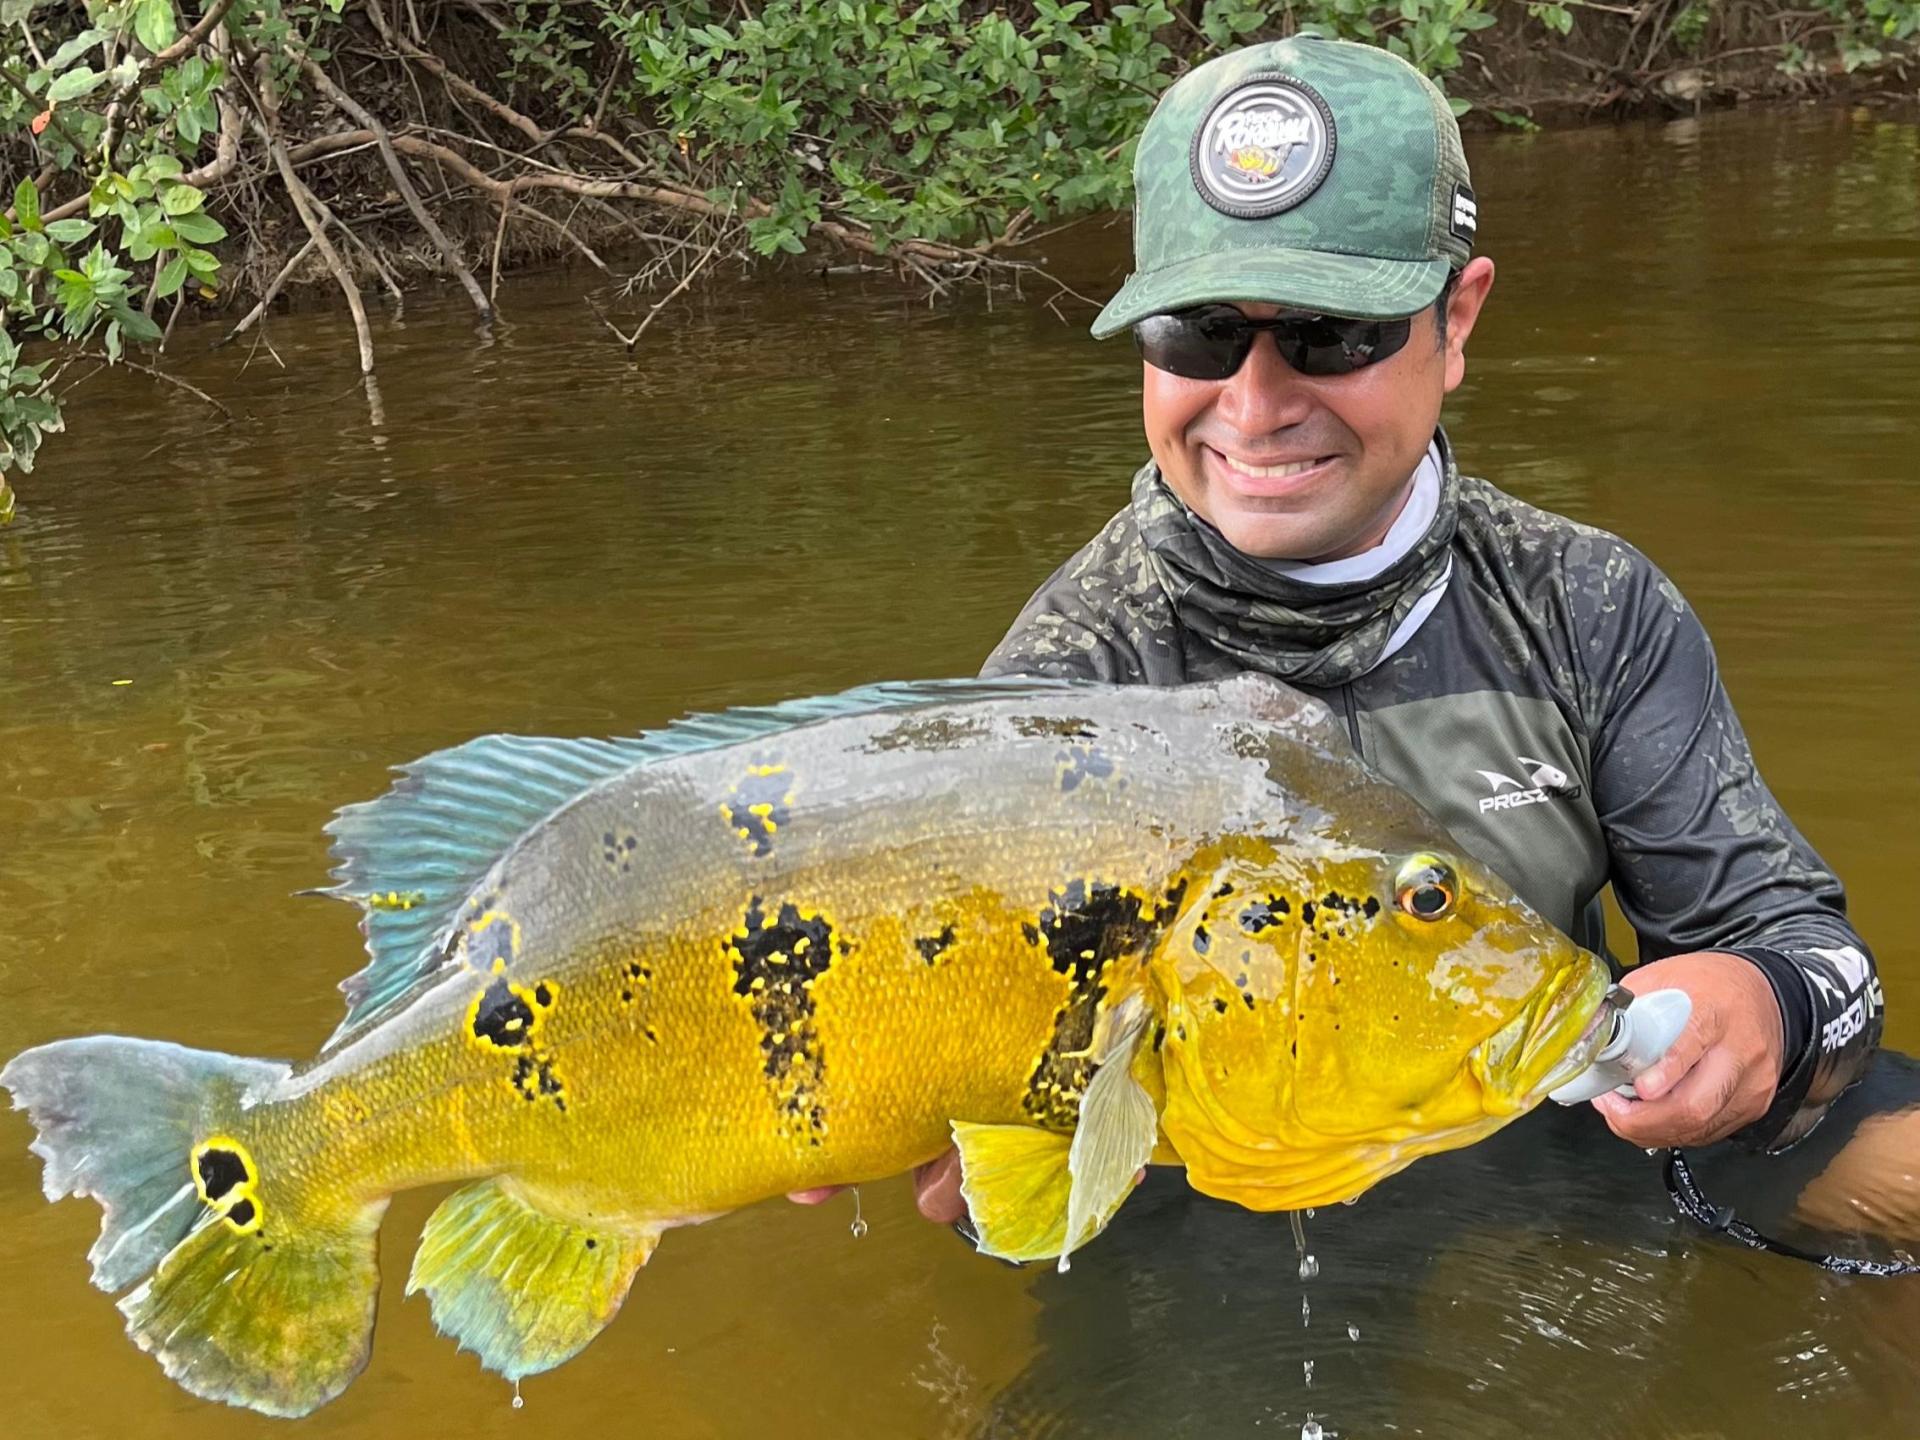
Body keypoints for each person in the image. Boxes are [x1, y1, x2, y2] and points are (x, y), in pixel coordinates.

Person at [794, 35, 1884, 1227]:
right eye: (1198, 336)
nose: (1257, 406)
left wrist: (1767, 1007)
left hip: (1552, 1147)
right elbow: (991, 1176)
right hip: (1214, 1222)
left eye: (1331, 333)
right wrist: (972, 1150)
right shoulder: (1071, 683)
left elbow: (1814, 957)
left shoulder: (1588, 606)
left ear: (1456, 320)